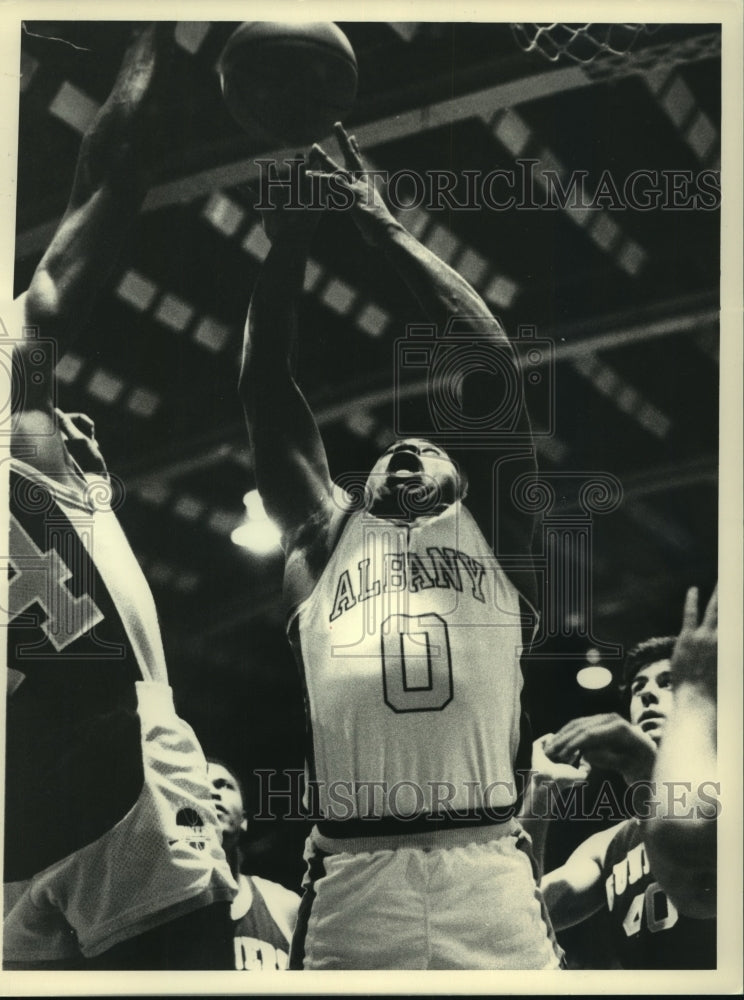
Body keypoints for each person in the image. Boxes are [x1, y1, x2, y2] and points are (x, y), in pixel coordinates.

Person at [239, 123, 562, 970]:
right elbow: (266, 388)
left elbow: (492, 363)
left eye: (433, 450)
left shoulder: (498, 540)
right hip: (354, 880)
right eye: (393, 452)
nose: (412, 451)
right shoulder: (323, 534)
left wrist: (379, 224)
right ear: (362, 485)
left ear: (467, 483)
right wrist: (291, 244)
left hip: (487, 872)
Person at [3, 24, 238, 969]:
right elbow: (117, 170)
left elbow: (115, 170)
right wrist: (156, 31)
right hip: (110, 776)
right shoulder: (8, 378)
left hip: (34, 810)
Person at [527, 587, 717, 969]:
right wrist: (539, 795)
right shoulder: (608, 845)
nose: (647, 695)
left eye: (668, 682)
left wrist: (648, 776)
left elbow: (701, 893)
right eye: (637, 688)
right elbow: (519, 918)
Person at [206, 757, 300, 970]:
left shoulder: (285, 907)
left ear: (244, 819)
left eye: (223, 785)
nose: (212, 793)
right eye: (201, 786)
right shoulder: (168, 908)